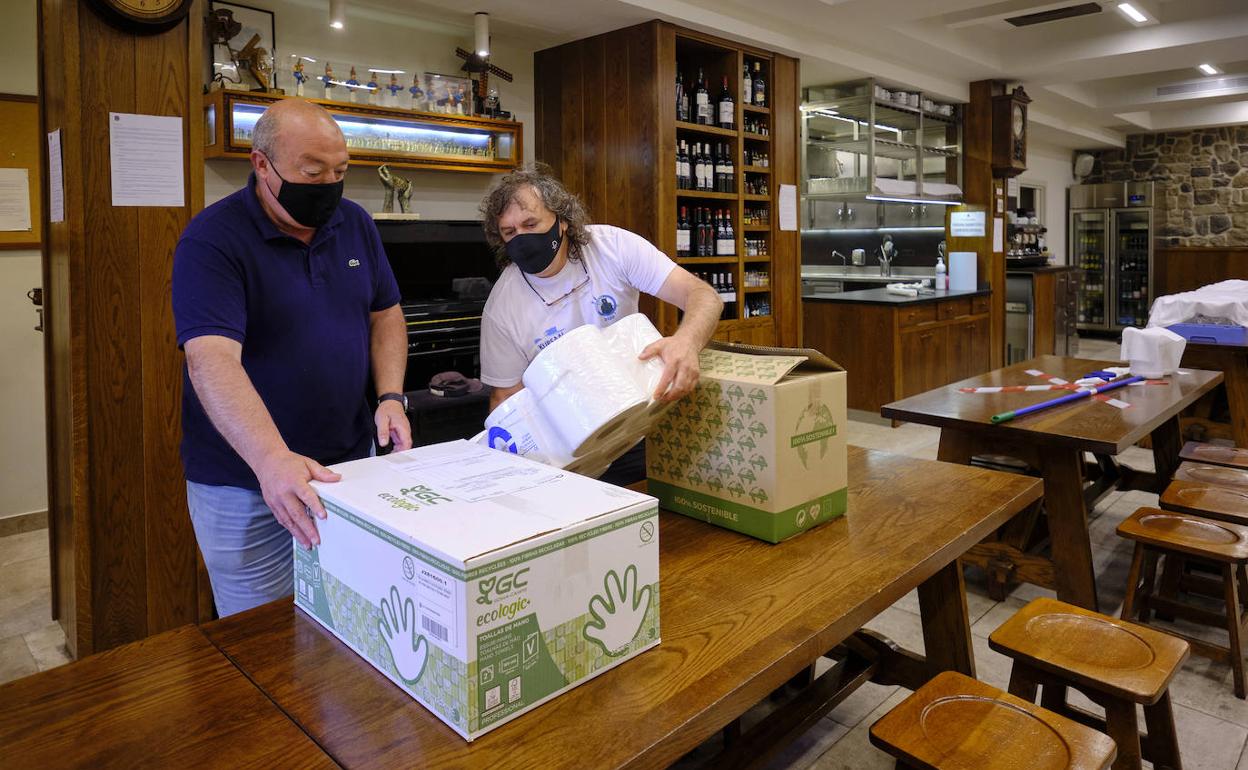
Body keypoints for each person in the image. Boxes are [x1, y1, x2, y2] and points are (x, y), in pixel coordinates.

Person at [172, 99, 411, 617]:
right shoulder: (212, 240)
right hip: (248, 486)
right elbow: (211, 361)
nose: (329, 183)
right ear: (262, 164)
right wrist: (272, 460)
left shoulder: (355, 224)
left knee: (356, 618)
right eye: (312, 171)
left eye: (341, 170)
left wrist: (391, 395)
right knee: (264, 638)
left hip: (347, 470)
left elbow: (385, 314)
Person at [478, 165, 722, 418]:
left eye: (531, 224)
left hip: (638, 411)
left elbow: (703, 296)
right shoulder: (502, 307)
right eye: (510, 232)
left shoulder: (613, 247)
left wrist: (687, 342)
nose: (522, 238)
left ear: (561, 220)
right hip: (570, 431)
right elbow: (507, 397)